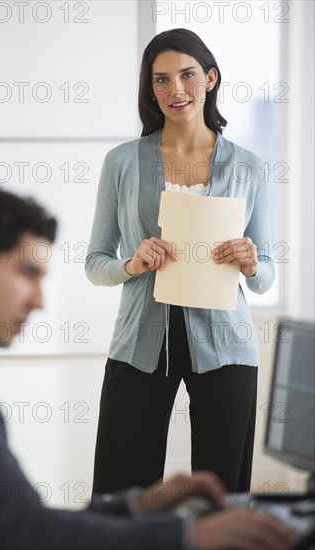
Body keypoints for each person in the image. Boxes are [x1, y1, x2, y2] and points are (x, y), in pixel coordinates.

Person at [0, 185, 297, 550]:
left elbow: (18, 521)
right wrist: (185, 535)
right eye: (26, 273)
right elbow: (25, 532)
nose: (39, 301)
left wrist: (133, 507)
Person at [85, 28, 275, 496]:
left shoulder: (248, 167)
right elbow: (95, 262)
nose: (176, 90)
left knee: (222, 496)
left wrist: (251, 262)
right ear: (150, 90)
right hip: (138, 344)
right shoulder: (122, 162)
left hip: (226, 347)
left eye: (187, 75)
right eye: (161, 80)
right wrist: (132, 263)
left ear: (210, 78)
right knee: (119, 490)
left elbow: (265, 276)